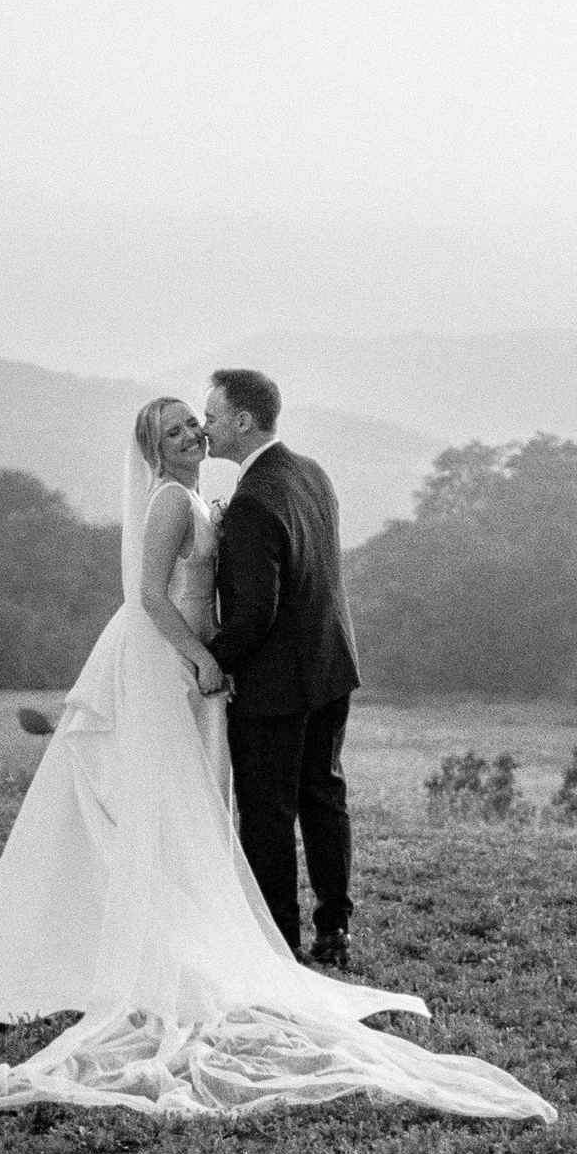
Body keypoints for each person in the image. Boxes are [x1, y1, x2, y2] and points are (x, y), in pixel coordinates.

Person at [0, 397, 554, 1125]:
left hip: (197, 664)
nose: (193, 433)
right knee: (158, 793)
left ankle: (160, 917)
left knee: (183, 799)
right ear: (156, 450)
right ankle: (73, 936)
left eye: (194, 421)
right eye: (176, 429)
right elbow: (150, 595)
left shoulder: (205, 499)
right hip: (167, 658)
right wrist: (205, 658)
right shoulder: (172, 502)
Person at [201, 368, 358, 966]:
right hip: (331, 663)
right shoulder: (311, 474)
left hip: (276, 686)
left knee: (267, 814)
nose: (206, 428)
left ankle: (277, 946)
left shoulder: (251, 503)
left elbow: (253, 617)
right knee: (324, 794)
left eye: (212, 417)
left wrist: (206, 665)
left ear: (242, 421)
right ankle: (335, 928)